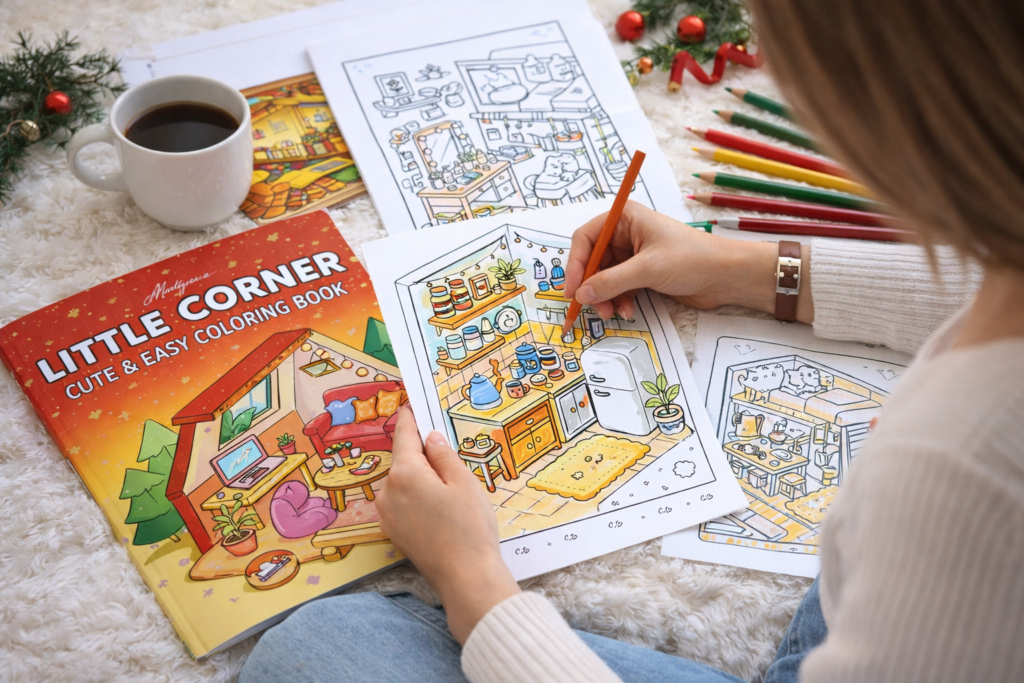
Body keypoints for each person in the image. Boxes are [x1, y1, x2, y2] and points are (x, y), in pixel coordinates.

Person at [241, 0, 1024, 681]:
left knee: (316, 648)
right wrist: (756, 271)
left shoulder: (958, 470)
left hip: (926, 604)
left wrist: (473, 583)